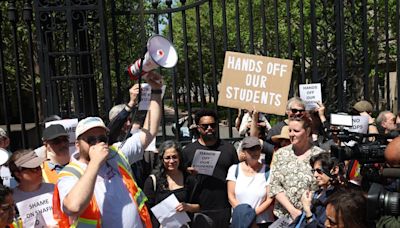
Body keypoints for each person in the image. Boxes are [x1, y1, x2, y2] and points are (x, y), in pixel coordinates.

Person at [53, 71, 163, 227]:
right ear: (77, 144)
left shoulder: (116, 154)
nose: (98, 143)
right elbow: (73, 206)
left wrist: (156, 92)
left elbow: (149, 132)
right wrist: (95, 163)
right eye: (90, 140)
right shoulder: (70, 173)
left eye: (102, 139)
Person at [182, 109, 239, 228]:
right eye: (205, 126)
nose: (209, 128)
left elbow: (237, 176)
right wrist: (187, 172)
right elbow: (180, 177)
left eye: (212, 125)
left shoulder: (228, 149)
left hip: (224, 207)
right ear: (198, 128)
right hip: (199, 208)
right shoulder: (188, 151)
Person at [268, 114, 324, 220]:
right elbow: (274, 186)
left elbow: (323, 186)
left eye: (296, 131)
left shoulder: (319, 155)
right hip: (283, 217)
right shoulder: (280, 154)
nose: (292, 134)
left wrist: (307, 210)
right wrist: (292, 210)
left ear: (307, 132)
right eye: (290, 130)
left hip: (311, 215)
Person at [143, 140, 199, 227]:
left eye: (174, 157)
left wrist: (187, 207)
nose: (171, 161)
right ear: (162, 159)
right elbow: (145, 210)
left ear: (180, 157)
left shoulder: (188, 178)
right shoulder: (153, 181)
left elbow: (199, 206)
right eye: (167, 158)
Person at [227, 136, 274, 227]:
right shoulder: (234, 169)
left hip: (262, 222)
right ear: (244, 151)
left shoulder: (268, 171)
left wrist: (251, 215)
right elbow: (231, 196)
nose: (255, 152)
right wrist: (245, 215)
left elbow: (269, 199)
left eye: (257, 148)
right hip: (240, 221)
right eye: (251, 149)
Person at [290, 153, 345, 228]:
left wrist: (307, 211)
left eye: (319, 171)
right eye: (314, 171)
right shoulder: (318, 192)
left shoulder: (336, 198)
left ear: (334, 170)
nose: (315, 175)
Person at [8, 149, 57, 227]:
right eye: (33, 169)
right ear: (18, 174)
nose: (39, 171)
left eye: (39, 167)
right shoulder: (10, 199)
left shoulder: (54, 189)